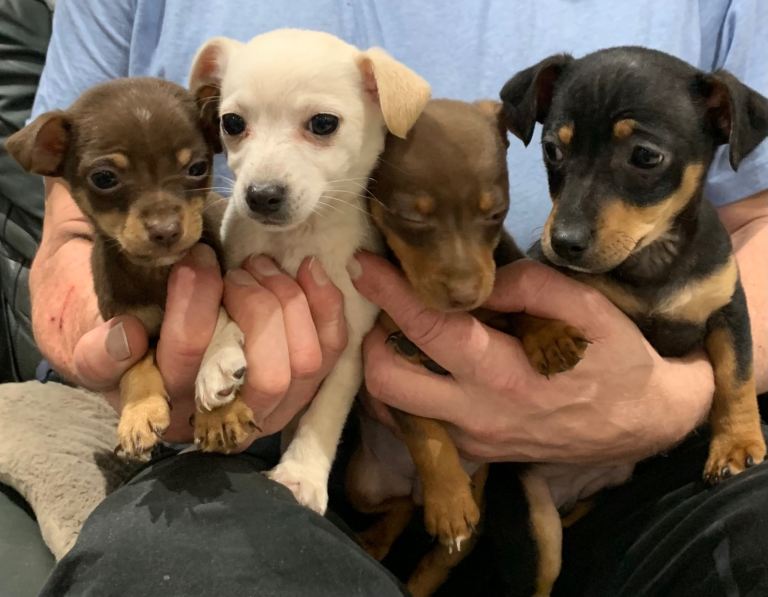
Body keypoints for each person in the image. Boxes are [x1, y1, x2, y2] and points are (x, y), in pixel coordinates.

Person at [25, 0, 768, 595]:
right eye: (232, 127)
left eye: (322, 127)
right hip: (238, 466)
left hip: (647, 454)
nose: (264, 174)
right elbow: (67, 229)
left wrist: (680, 398)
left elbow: (755, 220)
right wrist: (127, 347)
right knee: (179, 569)